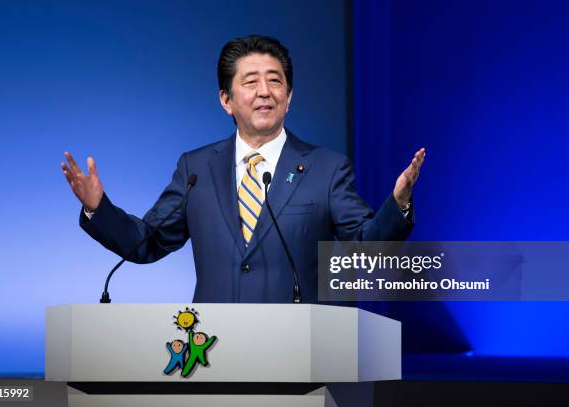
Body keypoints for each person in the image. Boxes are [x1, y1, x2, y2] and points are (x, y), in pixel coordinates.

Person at [61, 35, 425, 303]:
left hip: (306, 349)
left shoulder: (327, 168)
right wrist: (98, 208)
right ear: (226, 100)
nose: (265, 91)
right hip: (215, 351)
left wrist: (398, 204)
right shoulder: (196, 168)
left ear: (290, 96)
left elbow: (364, 247)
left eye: (275, 80)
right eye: (251, 82)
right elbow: (146, 242)